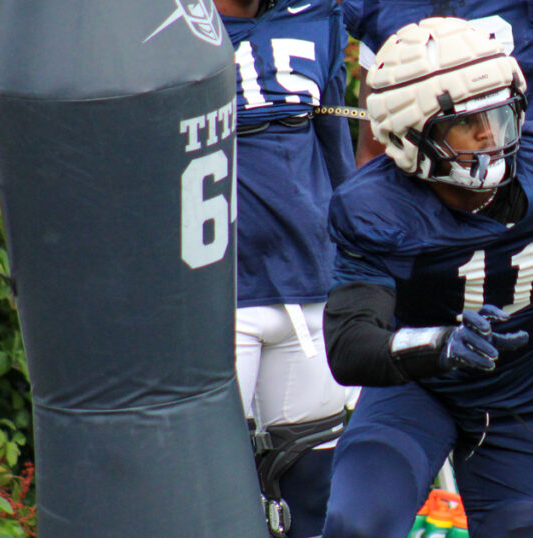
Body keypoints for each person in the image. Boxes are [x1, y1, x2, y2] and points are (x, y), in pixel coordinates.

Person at [321, 18, 533, 537]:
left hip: (526, 396)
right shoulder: (376, 207)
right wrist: (439, 345)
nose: (489, 135)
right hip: (419, 390)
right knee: (358, 522)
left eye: (498, 115)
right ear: (412, 138)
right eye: (467, 123)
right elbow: (349, 344)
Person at [215, 0, 356, 536]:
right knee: (216, 491)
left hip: (311, 284)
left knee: (312, 494)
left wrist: (359, 271)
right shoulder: (163, 24)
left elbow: (338, 156)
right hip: (216, 294)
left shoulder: (318, 15)